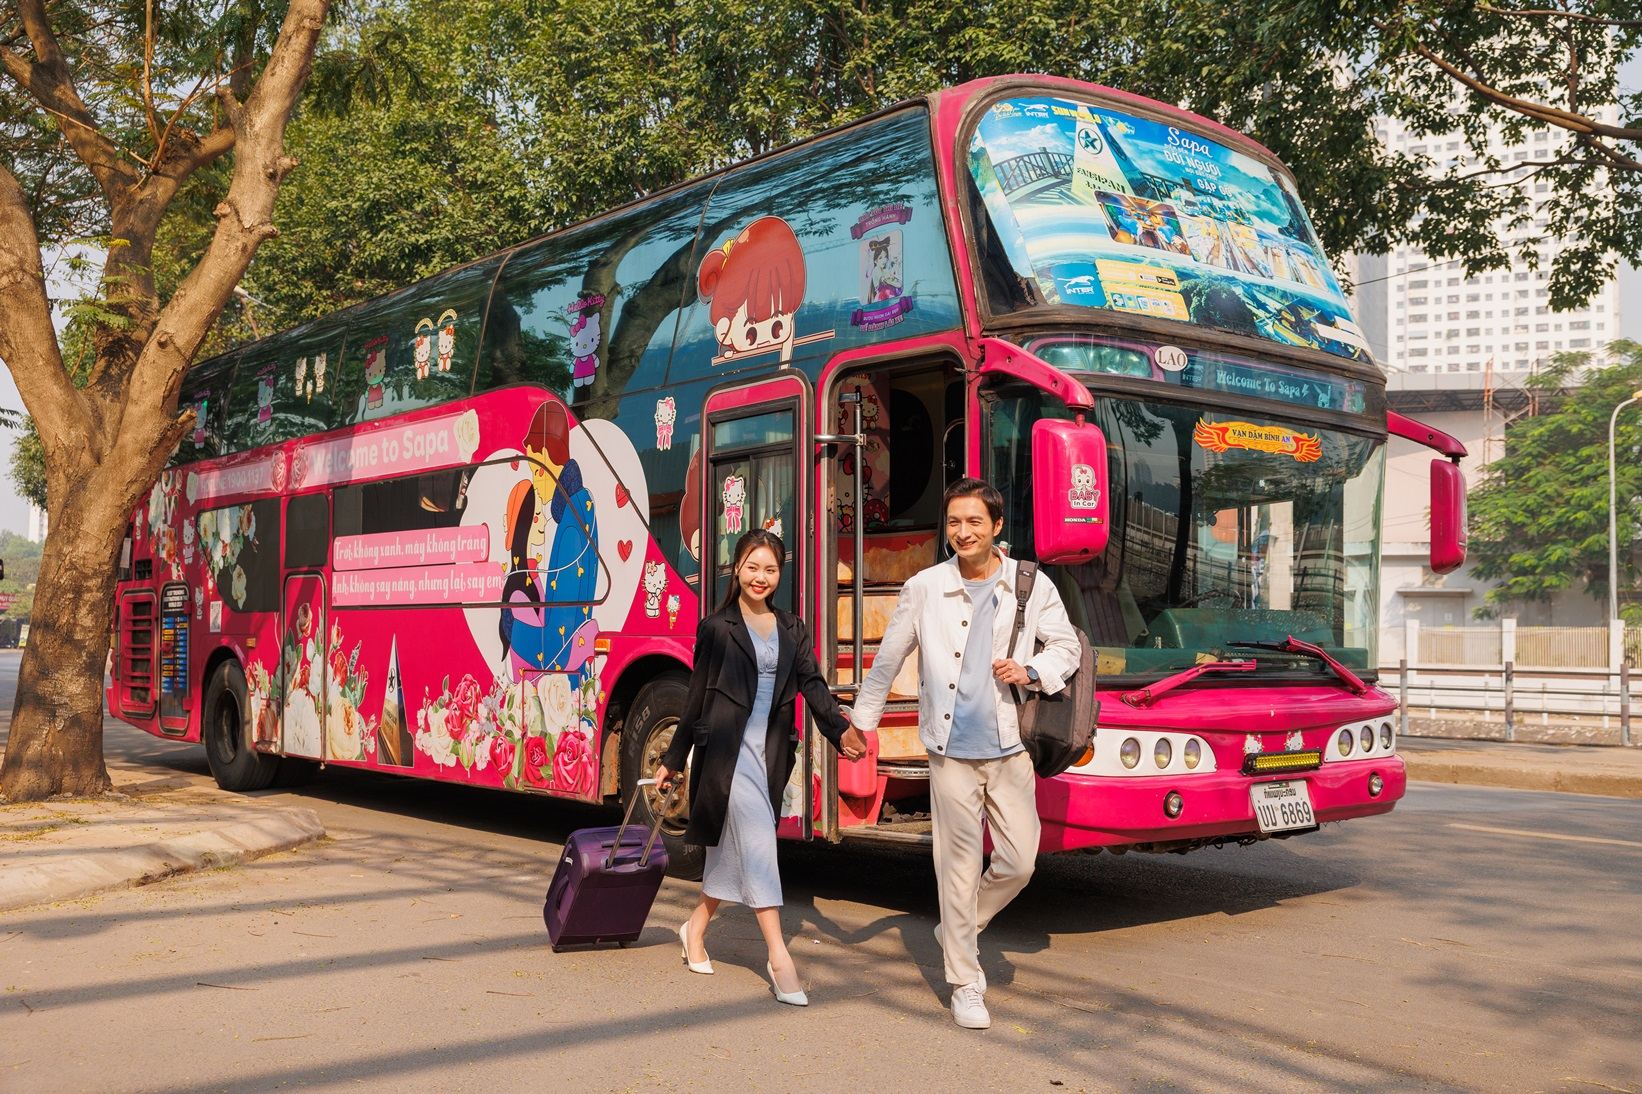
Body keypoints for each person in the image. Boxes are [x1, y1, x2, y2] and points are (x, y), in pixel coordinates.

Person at [850, 478, 1081, 1030]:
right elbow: (888, 659)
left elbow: (1067, 645)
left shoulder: (1029, 584)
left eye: (974, 522)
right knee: (955, 869)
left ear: (996, 526)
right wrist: (861, 722)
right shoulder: (926, 586)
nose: (963, 532)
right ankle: (964, 981)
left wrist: (1033, 671)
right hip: (950, 750)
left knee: (1020, 861)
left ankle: (958, 927)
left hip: (1009, 747)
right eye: (954, 522)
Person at [655, 529, 869, 1006]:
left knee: (739, 854)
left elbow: (813, 685)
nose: (761, 577)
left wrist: (841, 731)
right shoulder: (716, 627)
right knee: (758, 844)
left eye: (770, 569)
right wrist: (674, 757)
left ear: (779, 573)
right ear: (737, 567)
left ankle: (694, 928)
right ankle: (779, 958)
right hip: (725, 755)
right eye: (753, 567)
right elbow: (696, 697)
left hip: (769, 753)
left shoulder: (792, 628)